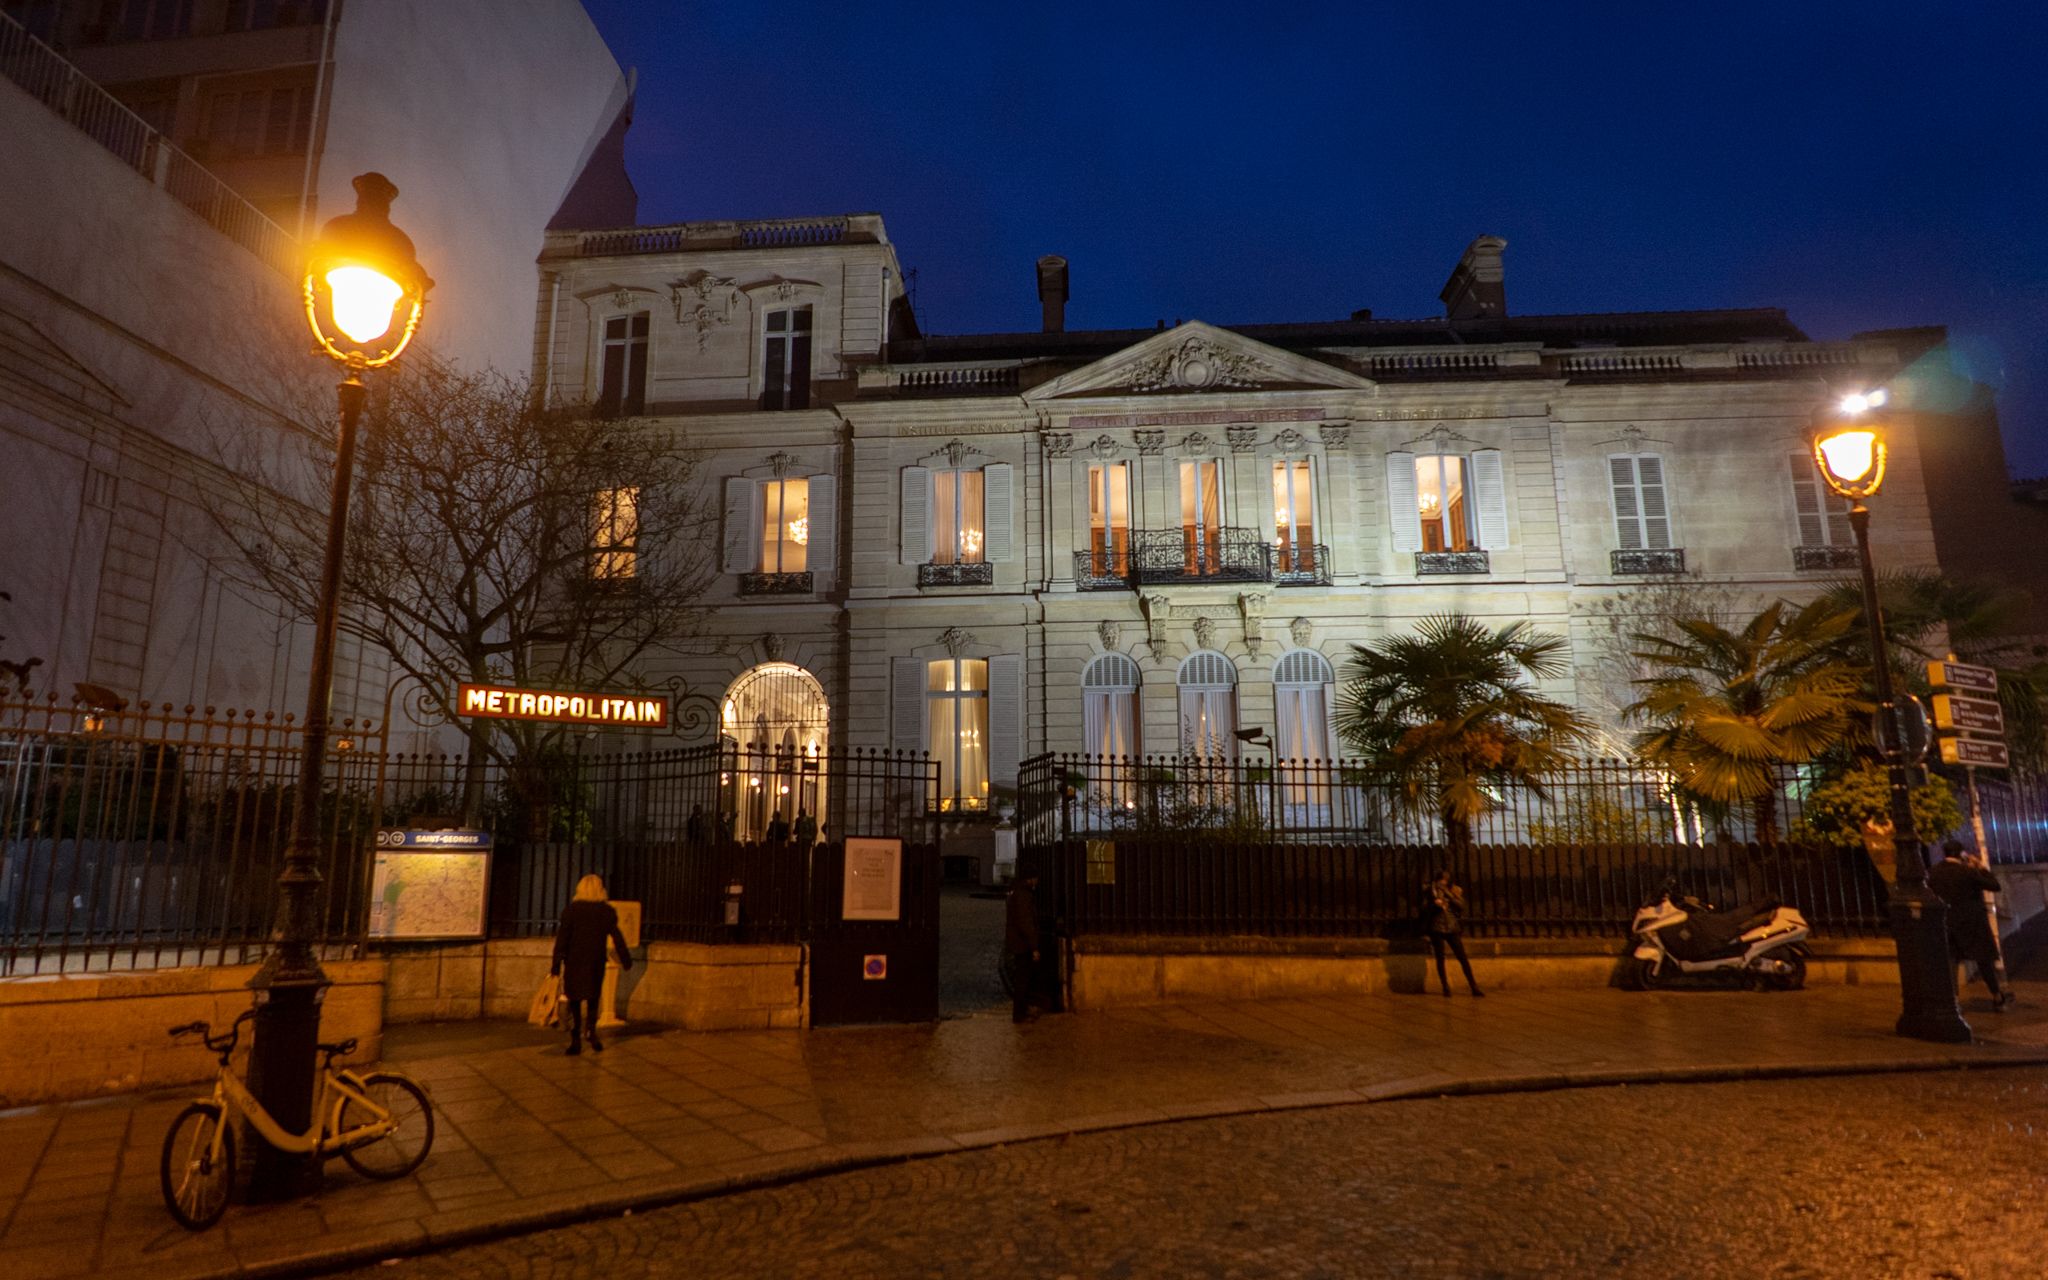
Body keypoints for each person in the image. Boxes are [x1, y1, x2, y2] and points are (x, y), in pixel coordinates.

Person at [551, 874, 633, 1054]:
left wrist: (556, 965)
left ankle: (575, 1038)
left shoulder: (571, 910)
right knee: (593, 997)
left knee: (575, 999)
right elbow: (617, 936)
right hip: (595, 960)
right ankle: (591, 1032)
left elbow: (562, 940)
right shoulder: (606, 911)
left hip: (574, 960)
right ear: (600, 889)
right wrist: (626, 959)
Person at [1929, 840, 2013, 1010]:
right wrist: (1981, 867)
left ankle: (1953, 1000)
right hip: (1973, 922)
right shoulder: (1967, 872)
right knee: (1984, 960)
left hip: (1948, 922)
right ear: (1960, 854)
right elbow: (1994, 886)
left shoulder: (1934, 872)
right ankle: (1997, 996)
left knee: (1952, 961)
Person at [1421, 869, 1484, 998]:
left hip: (1452, 927)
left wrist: (1447, 895)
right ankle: (1445, 987)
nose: (1442, 884)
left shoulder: (1454, 890)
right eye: (1440, 881)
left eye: (1445, 881)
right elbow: (1424, 908)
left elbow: (1461, 905)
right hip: (1436, 927)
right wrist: (1435, 904)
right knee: (1440, 958)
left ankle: (1473, 985)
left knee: (1462, 957)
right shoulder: (1430, 891)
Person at [1005, 869, 1042, 1023]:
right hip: (1022, 943)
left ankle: (1024, 1009)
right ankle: (1019, 1014)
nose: (1037, 881)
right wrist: (1034, 946)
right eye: (1035, 878)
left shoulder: (1018, 892)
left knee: (1025, 978)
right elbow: (1025, 922)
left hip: (1018, 941)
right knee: (1022, 980)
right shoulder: (1023, 895)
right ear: (1030, 879)